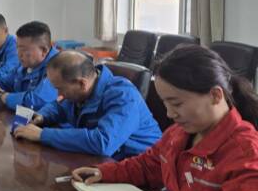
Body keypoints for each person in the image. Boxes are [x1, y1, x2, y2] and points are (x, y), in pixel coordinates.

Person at [72, 45, 258, 191]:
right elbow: (149, 165)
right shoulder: (180, 133)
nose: (169, 113)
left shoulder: (246, 153)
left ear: (215, 95)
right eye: (165, 103)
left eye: (177, 103)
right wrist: (105, 172)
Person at [13, 50, 161, 158]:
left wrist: (42, 135)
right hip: (104, 162)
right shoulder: (79, 91)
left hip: (141, 170)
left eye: (60, 89)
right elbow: (58, 106)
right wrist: (42, 116)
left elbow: (103, 142)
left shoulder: (124, 96)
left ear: (82, 83)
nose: (59, 94)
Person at [0, 21, 58, 111]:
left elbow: (35, 102)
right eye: (17, 48)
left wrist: (1, 94)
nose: (19, 54)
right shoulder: (26, 64)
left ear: (44, 50)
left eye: (24, 50)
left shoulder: (58, 67)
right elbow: (3, 81)